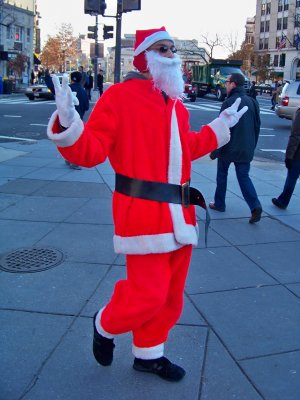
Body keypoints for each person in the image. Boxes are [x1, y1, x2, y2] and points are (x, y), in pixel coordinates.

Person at [47, 27, 247, 382]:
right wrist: (68, 121)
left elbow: (186, 148)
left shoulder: (175, 104)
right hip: (142, 213)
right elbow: (91, 151)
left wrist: (220, 126)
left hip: (180, 214)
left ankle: (149, 354)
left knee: (170, 298)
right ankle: (105, 323)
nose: (170, 53)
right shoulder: (120, 97)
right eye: (162, 48)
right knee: (148, 294)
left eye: (172, 48)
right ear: (143, 57)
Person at [209, 72, 262, 224]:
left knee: (222, 175)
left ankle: (219, 203)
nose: (225, 84)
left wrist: (215, 150)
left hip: (227, 148)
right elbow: (257, 126)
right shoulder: (252, 102)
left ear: (233, 84)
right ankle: (255, 206)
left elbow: (222, 128)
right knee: (244, 177)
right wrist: (252, 146)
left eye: (227, 81)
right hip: (245, 148)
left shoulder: (229, 102)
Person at [272, 107, 300, 209]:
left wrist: (289, 156)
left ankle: (283, 201)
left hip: (298, 154)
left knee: (291, 178)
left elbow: (295, 136)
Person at [64, 71, 89, 170]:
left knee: (67, 140)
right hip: (77, 119)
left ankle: (67, 158)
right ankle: (74, 162)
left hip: (66, 118)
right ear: (80, 79)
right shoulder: (82, 91)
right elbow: (86, 106)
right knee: (76, 141)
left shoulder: (66, 89)